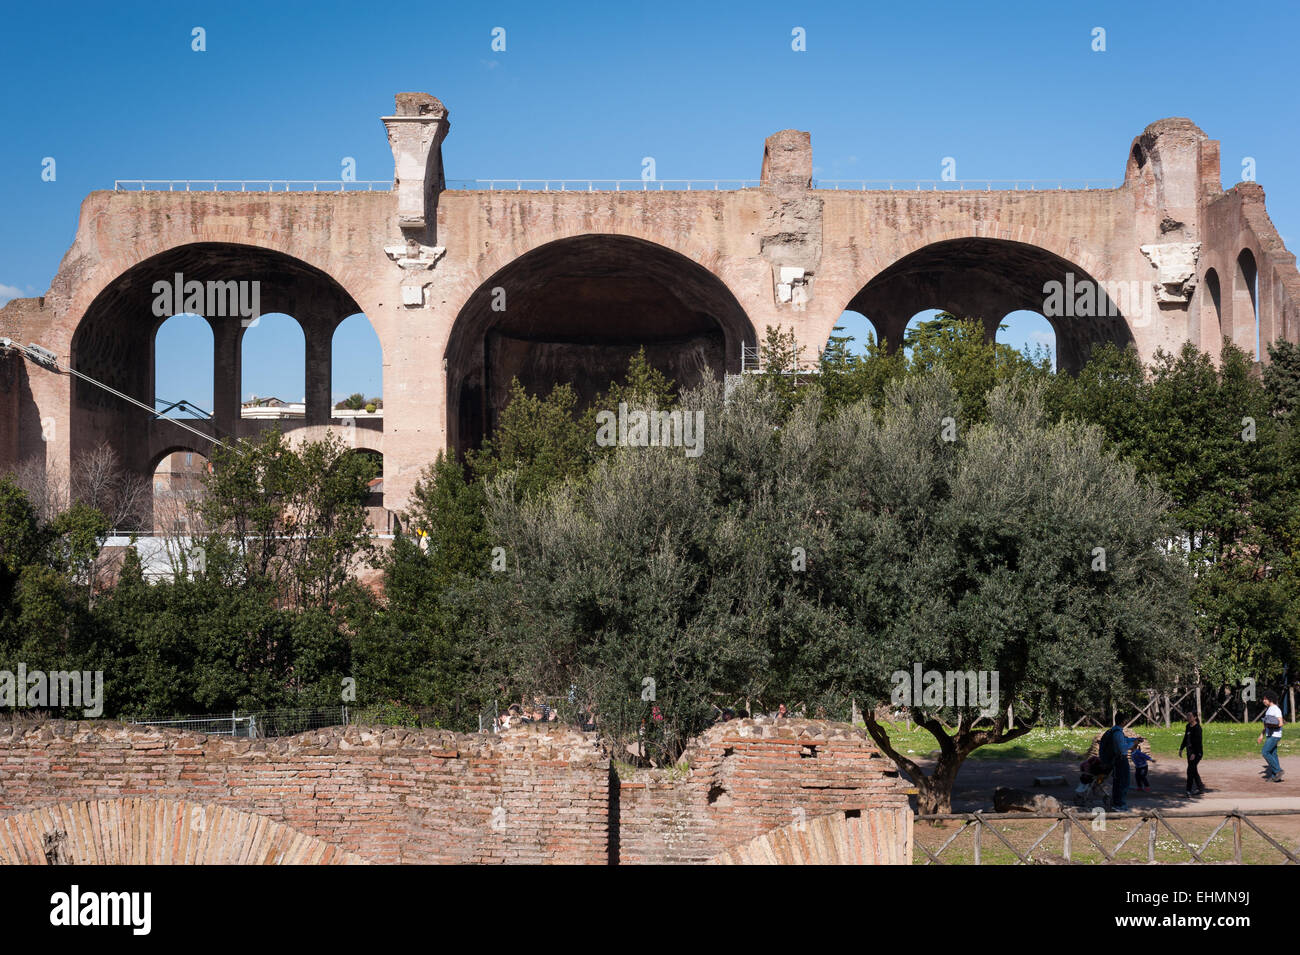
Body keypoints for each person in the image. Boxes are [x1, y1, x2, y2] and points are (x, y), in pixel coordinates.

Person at [1099, 724, 1143, 811]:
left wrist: (1134, 740)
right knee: (1122, 783)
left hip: (1117, 759)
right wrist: (1133, 743)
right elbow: (1122, 748)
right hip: (1120, 759)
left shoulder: (1113, 731)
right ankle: (1119, 805)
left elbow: (1124, 740)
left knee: (1119, 782)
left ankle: (1117, 803)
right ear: (1124, 722)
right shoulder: (1117, 733)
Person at [1257, 690, 1285, 782]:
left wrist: (1271, 724)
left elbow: (1280, 723)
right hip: (1270, 734)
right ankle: (1275, 777)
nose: (1263, 701)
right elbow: (1266, 725)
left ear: (1270, 699)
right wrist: (1261, 735)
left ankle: (1278, 770)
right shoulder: (1269, 709)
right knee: (1273, 754)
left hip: (1275, 735)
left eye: (1265, 699)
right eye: (1263, 699)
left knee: (1265, 752)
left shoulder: (1276, 709)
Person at [1179, 715, 1206, 795]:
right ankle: (1200, 788)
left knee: (1190, 770)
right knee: (1193, 770)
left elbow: (1198, 742)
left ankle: (1188, 790)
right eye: (1188, 716)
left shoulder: (1198, 728)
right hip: (1189, 752)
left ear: (1195, 717)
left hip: (1197, 753)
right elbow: (1185, 738)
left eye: (1190, 716)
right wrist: (1181, 749)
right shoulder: (1188, 726)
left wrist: (1194, 753)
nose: (1188, 718)